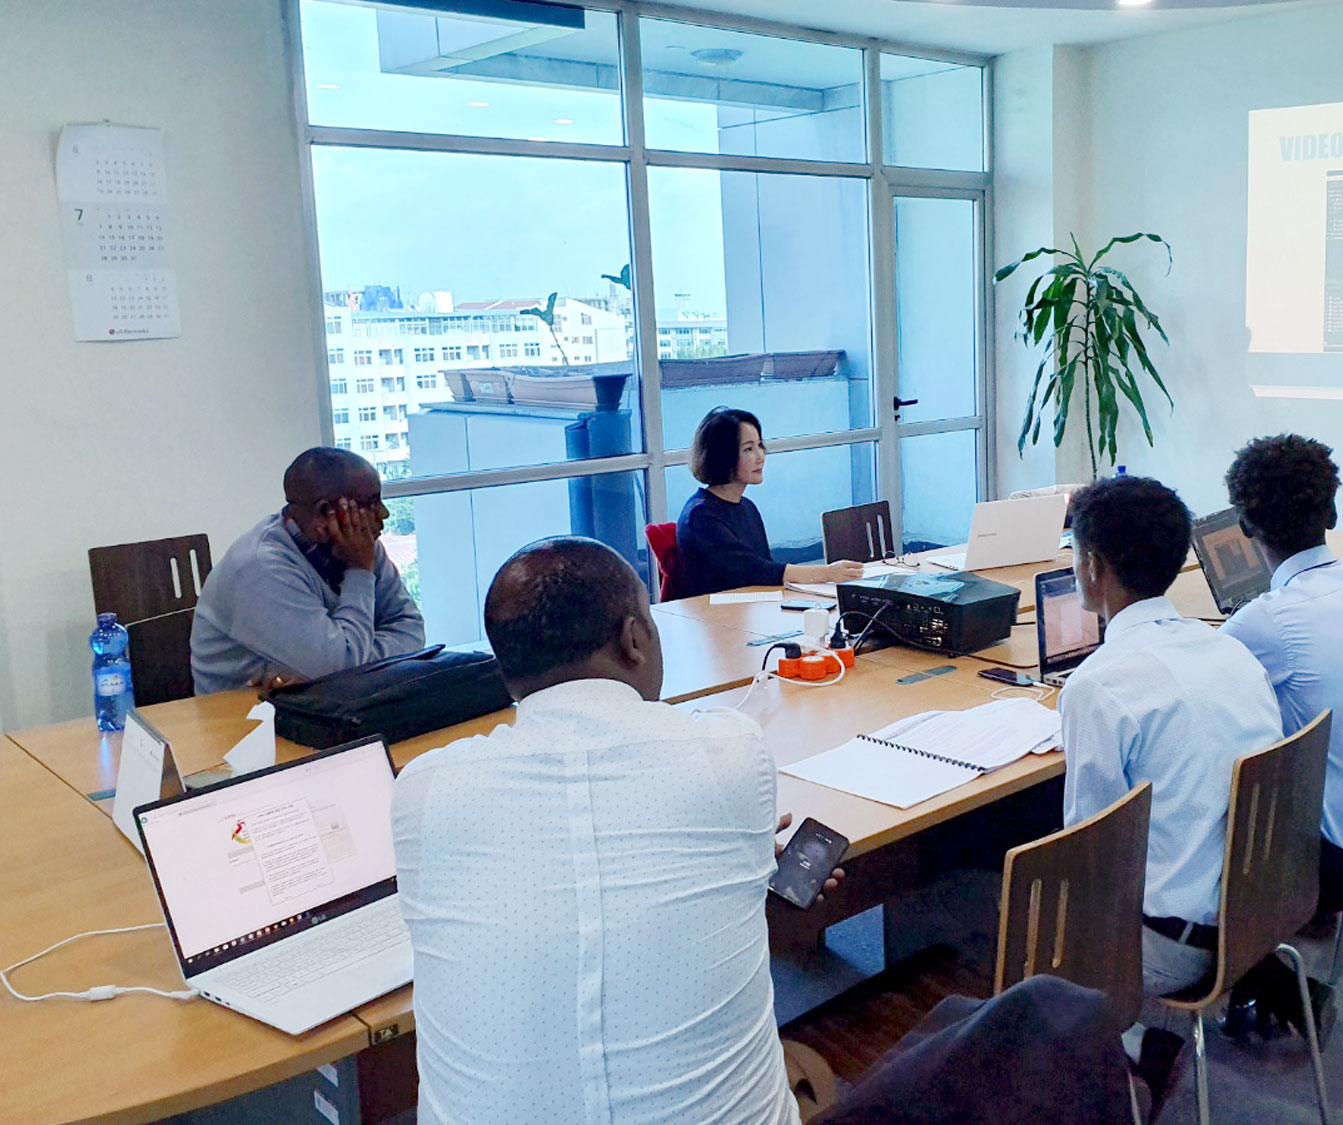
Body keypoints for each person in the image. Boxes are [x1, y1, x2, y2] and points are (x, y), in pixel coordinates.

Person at [392, 537, 836, 1125]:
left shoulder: (424, 790)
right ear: (634, 638)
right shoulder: (729, 750)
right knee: (810, 1066)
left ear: (507, 669)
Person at [1058, 476, 1284, 1073]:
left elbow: (1091, 856)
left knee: (995, 908)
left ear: (1092, 565)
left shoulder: (1099, 685)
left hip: (1170, 950)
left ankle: (1120, 1055)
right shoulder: (1230, 650)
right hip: (1257, 910)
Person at [1217, 434, 1343, 1040]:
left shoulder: (1267, 621)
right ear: (1332, 513)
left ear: (1245, 525)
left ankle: (1258, 978)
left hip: (1325, 865)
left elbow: (1198, 697)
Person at [190, 447, 424, 694]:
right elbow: (340, 667)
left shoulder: (361, 546)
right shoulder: (259, 565)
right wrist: (359, 572)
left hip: (328, 704)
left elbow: (411, 628)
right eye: (371, 503)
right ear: (325, 512)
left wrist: (336, 667)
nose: (384, 514)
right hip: (243, 722)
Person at [675, 407, 863, 597]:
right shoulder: (700, 515)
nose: (760, 457)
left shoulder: (746, 506)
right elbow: (755, 571)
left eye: (760, 446)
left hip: (750, 606)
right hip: (713, 616)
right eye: (748, 449)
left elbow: (765, 572)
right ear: (723, 456)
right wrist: (826, 573)